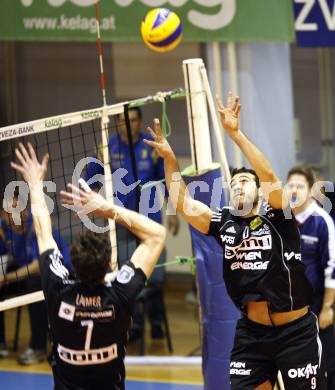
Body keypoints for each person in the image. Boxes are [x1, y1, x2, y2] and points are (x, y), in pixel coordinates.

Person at [145, 92, 326, 389]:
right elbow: (183, 204)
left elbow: (267, 173)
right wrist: (170, 159)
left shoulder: (279, 214)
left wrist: (235, 134)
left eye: (244, 181)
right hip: (253, 334)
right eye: (233, 184)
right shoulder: (223, 221)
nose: (238, 186)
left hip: (295, 332)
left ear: (258, 191)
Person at [11, 142, 166, 389]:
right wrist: (106, 208)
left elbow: (43, 232)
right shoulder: (119, 294)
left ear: (73, 264)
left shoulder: (59, 289)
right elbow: (157, 235)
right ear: (108, 266)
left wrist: (34, 183)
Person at [85, 107, 179, 341]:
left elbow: (166, 180)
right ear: (117, 123)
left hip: (150, 218)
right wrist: (89, 203)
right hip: (122, 221)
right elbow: (91, 178)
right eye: (122, 121)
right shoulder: (108, 147)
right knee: (128, 271)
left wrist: (173, 212)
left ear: (138, 122)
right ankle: (133, 323)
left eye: (133, 120)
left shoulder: (150, 147)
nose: (127, 124)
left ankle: (156, 322)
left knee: (154, 273)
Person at [0, 192, 72, 365]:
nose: (10, 217)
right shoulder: (4, 228)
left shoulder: (36, 224)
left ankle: (38, 347)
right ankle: (0, 342)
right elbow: (2, 256)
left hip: (61, 273)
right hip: (26, 275)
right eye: (6, 212)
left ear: (24, 211)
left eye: (14, 212)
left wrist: (7, 277)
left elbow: (37, 266)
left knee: (34, 284)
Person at [287, 166, 335, 390]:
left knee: (324, 365)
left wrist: (327, 307)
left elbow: (332, 269)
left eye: (300, 186)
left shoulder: (322, 221)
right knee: (294, 368)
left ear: (310, 190)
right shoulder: (281, 218)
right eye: (291, 185)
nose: (295, 190)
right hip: (287, 310)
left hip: (317, 309)